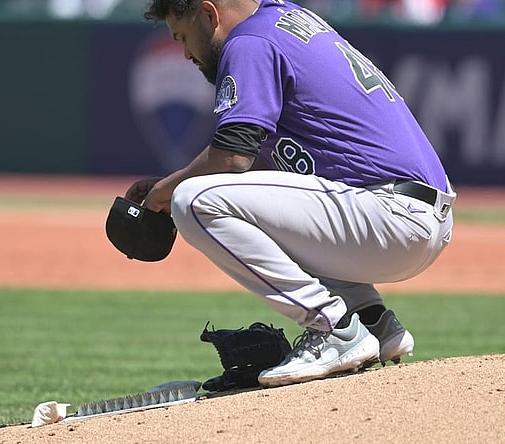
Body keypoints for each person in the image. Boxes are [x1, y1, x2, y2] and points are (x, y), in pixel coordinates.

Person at [127, 0, 456, 387]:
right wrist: (175, 178)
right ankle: (371, 319)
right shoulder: (285, 17)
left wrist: (167, 188)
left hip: (389, 214)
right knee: (251, 204)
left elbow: (233, 155)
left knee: (193, 201)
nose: (184, 53)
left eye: (182, 36)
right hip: (414, 215)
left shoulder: (248, 41)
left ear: (209, 13)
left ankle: (335, 328)